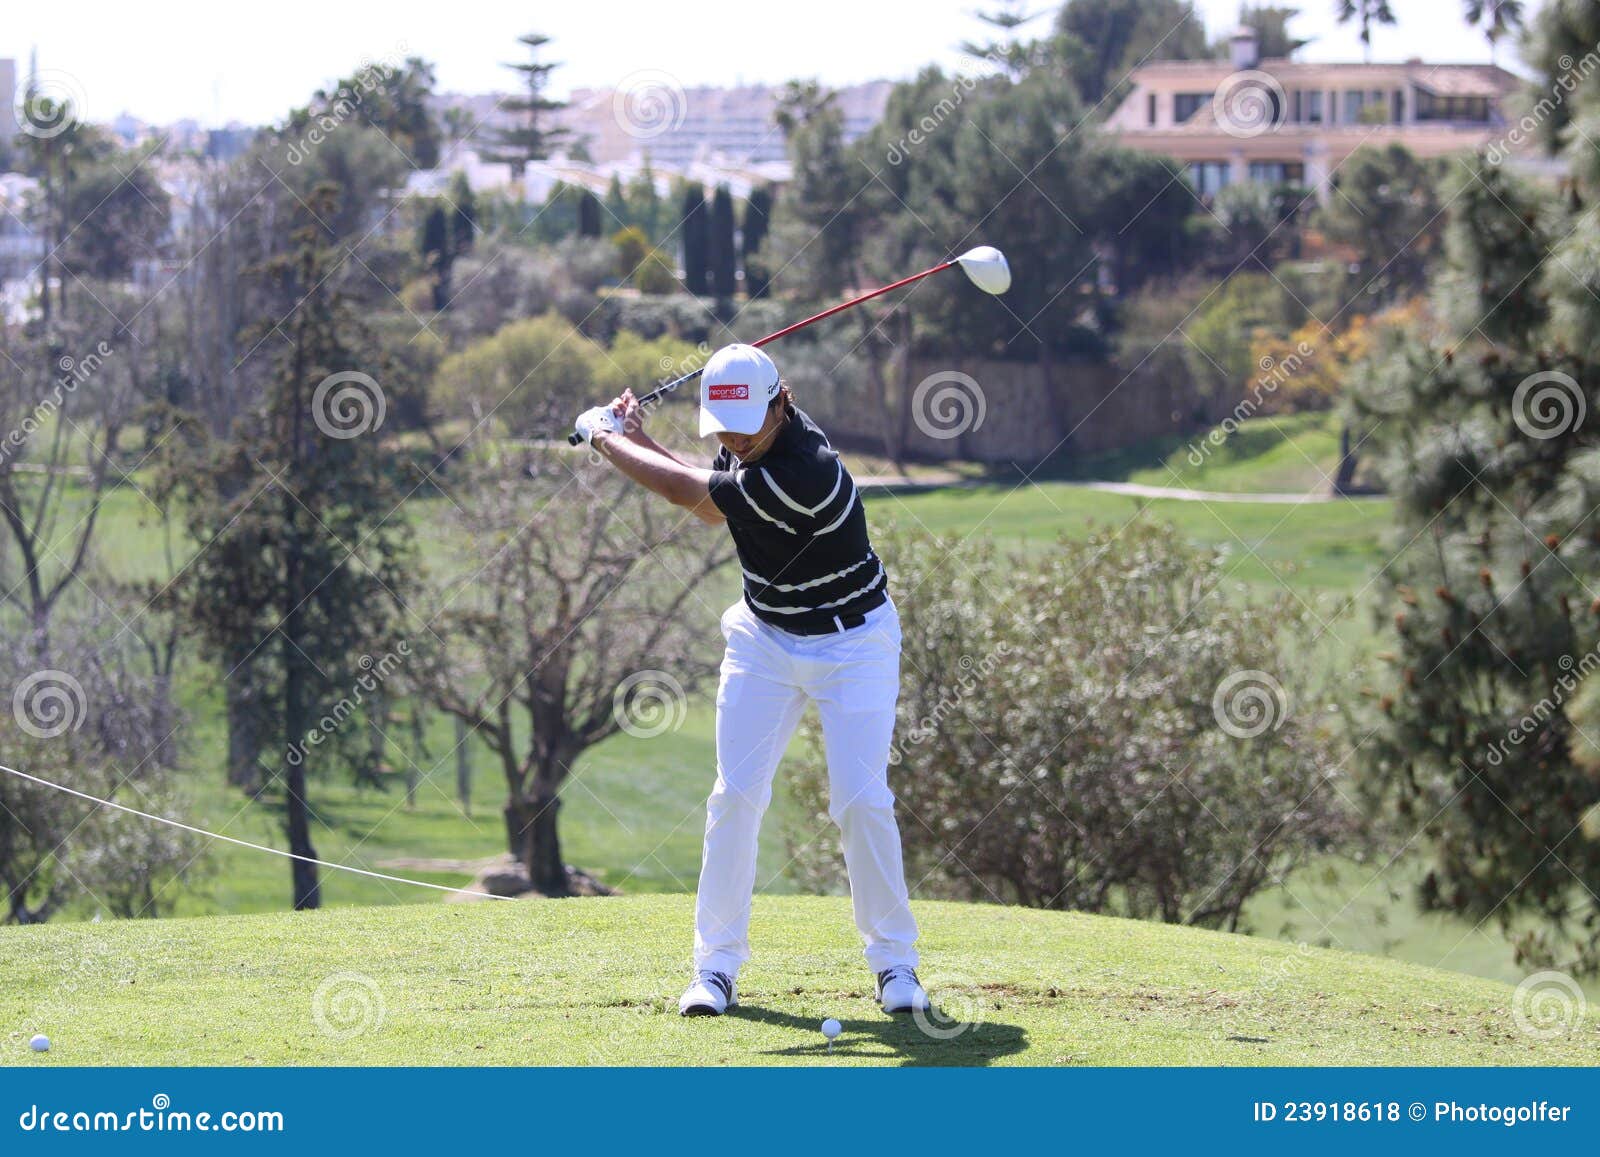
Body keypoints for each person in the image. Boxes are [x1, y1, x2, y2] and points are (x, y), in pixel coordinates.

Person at [573, 343, 928, 1017]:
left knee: (859, 800)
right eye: (722, 429)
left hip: (854, 644)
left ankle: (895, 964)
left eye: (744, 427)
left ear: (781, 402)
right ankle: (715, 969)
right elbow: (711, 497)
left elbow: (695, 500)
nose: (732, 441)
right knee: (733, 796)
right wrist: (638, 437)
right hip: (765, 637)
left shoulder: (807, 470)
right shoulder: (750, 438)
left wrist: (603, 438)